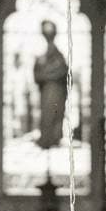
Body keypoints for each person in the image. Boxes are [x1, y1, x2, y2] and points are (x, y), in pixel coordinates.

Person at [33, 20, 68, 149]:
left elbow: (63, 71)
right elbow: (38, 72)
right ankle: (47, 139)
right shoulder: (41, 52)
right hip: (47, 89)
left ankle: (53, 138)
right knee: (47, 113)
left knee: (55, 112)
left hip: (56, 89)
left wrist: (46, 74)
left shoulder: (58, 52)